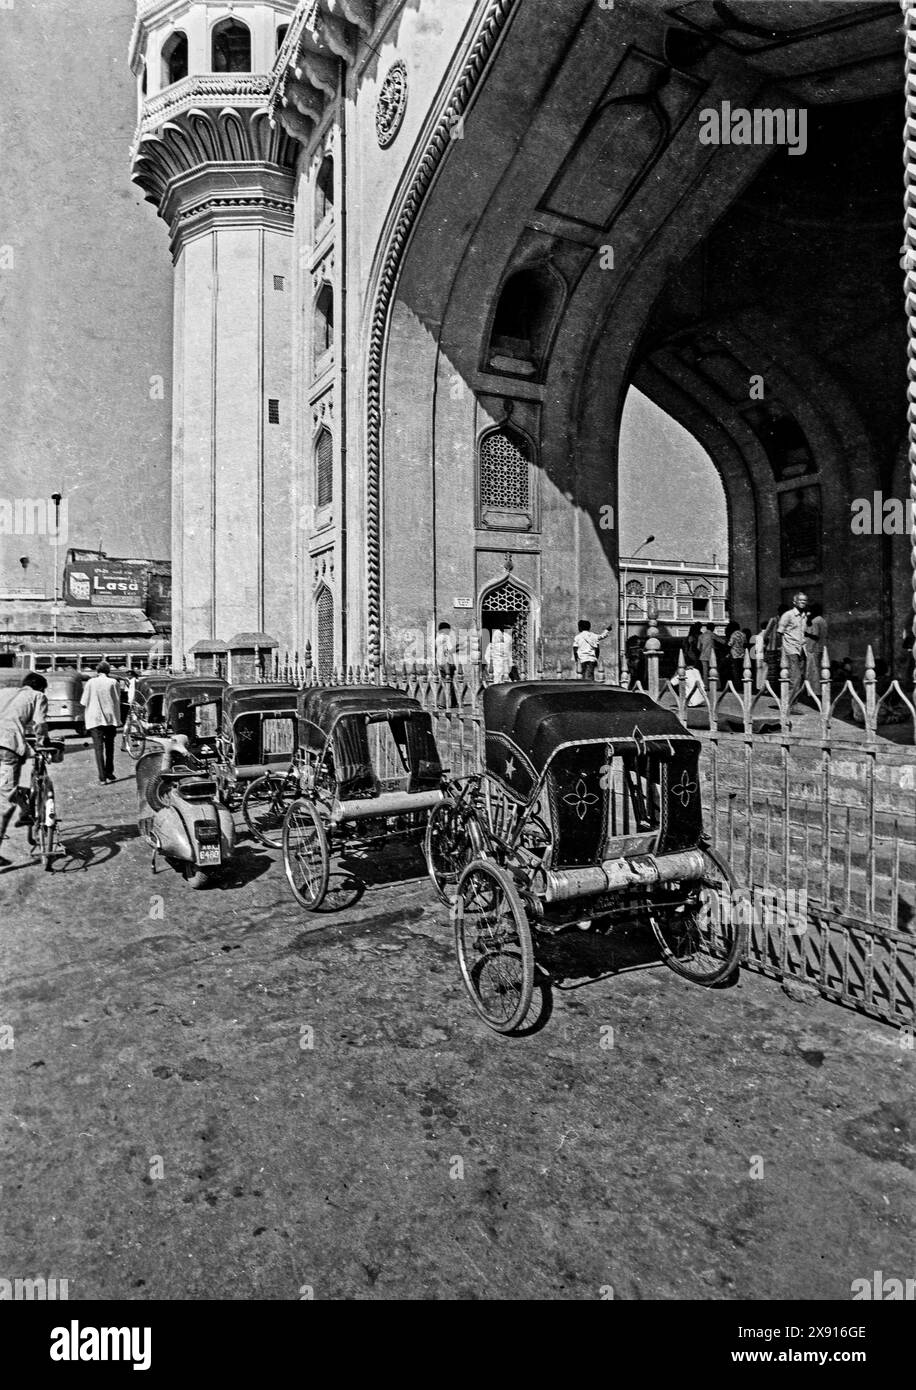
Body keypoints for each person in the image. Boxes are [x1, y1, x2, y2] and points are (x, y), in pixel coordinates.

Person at [0, 672, 49, 862]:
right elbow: (40, 724)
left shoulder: (5, 692)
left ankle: (26, 810)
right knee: (5, 799)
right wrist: (42, 742)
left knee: (6, 787)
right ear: (41, 688)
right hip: (7, 746)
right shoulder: (38, 696)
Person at [81, 660, 122, 784]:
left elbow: (84, 702)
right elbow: (117, 700)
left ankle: (102, 777)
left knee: (98, 748)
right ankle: (110, 772)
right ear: (108, 671)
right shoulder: (113, 682)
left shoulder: (90, 682)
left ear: (97, 671)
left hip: (94, 719)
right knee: (110, 747)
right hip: (110, 718)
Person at [777, 591, 809, 711]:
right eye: (800, 601)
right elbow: (779, 632)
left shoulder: (804, 616)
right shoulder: (788, 615)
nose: (803, 603)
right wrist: (782, 648)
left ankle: (793, 703)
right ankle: (787, 705)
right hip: (791, 649)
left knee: (800, 678)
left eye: (805, 601)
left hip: (802, 649)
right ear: (794, 602)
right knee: (795, 678)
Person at [434, 621, 457, 709]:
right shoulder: (446, 637)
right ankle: (443, 703)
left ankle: (454, 702)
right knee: (448, 682)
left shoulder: (437, 638)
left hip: (440, 662)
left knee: (445, 681)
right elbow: (450, 649)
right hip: (447, 662)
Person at [804, 605, 828, 688]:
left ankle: (814, 690)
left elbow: (815, 636)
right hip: (822, 647)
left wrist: (806, 634)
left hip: (814, 648)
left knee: (813, 671)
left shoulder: (815, 621)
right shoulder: (823, 620)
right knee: (820, 669)